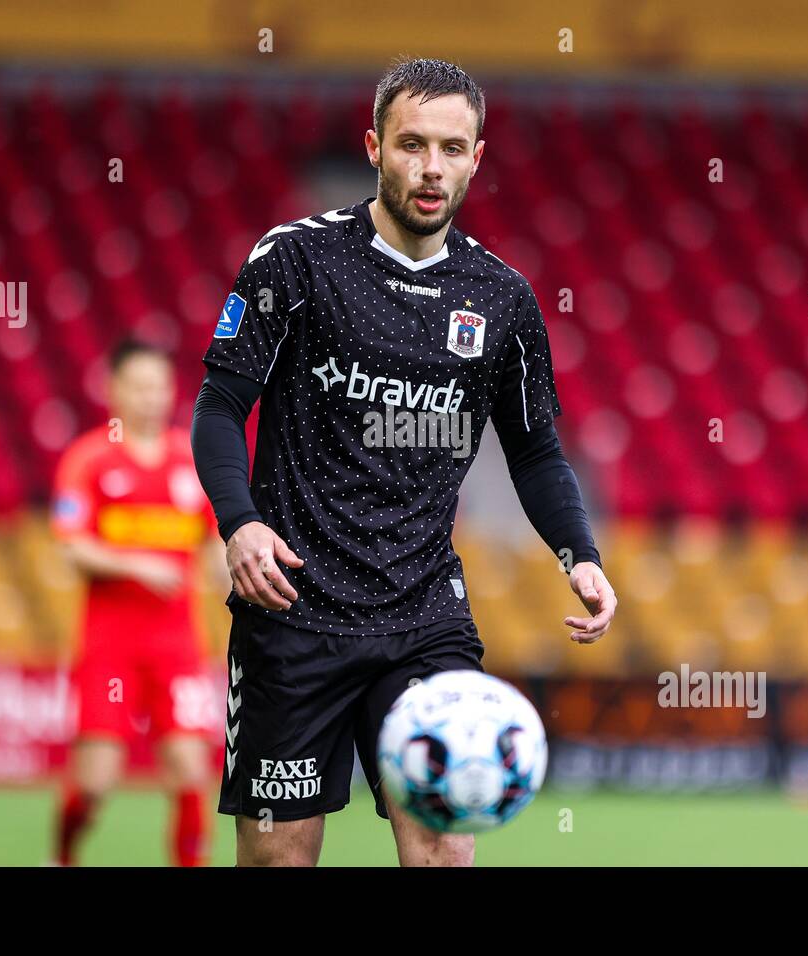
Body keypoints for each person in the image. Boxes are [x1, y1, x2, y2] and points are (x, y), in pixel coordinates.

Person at [192, 57, 617, 867]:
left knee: (442, 850)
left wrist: (580, 554)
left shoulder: (503, 299)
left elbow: (534, 450)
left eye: (452, 148)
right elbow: (219, 408)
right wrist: (239, 524)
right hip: (293, 611)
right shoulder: (295, 261)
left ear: (476, 157)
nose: (431, 168)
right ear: (374, 148)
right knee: (279, 858)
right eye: (412, 145)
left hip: (423, 616)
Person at [51, 338, 224, 866]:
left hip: (177, 646)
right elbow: (71, 546)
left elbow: (214, 540)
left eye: (159, 386)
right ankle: (61, 856)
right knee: (97, 783)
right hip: (110, 647)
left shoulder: (192, 459)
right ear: (114, 391)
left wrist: (232, 572)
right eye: (139, 386)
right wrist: (136, 564)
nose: (151, 397)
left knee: (191, 771)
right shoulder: (89, 459)